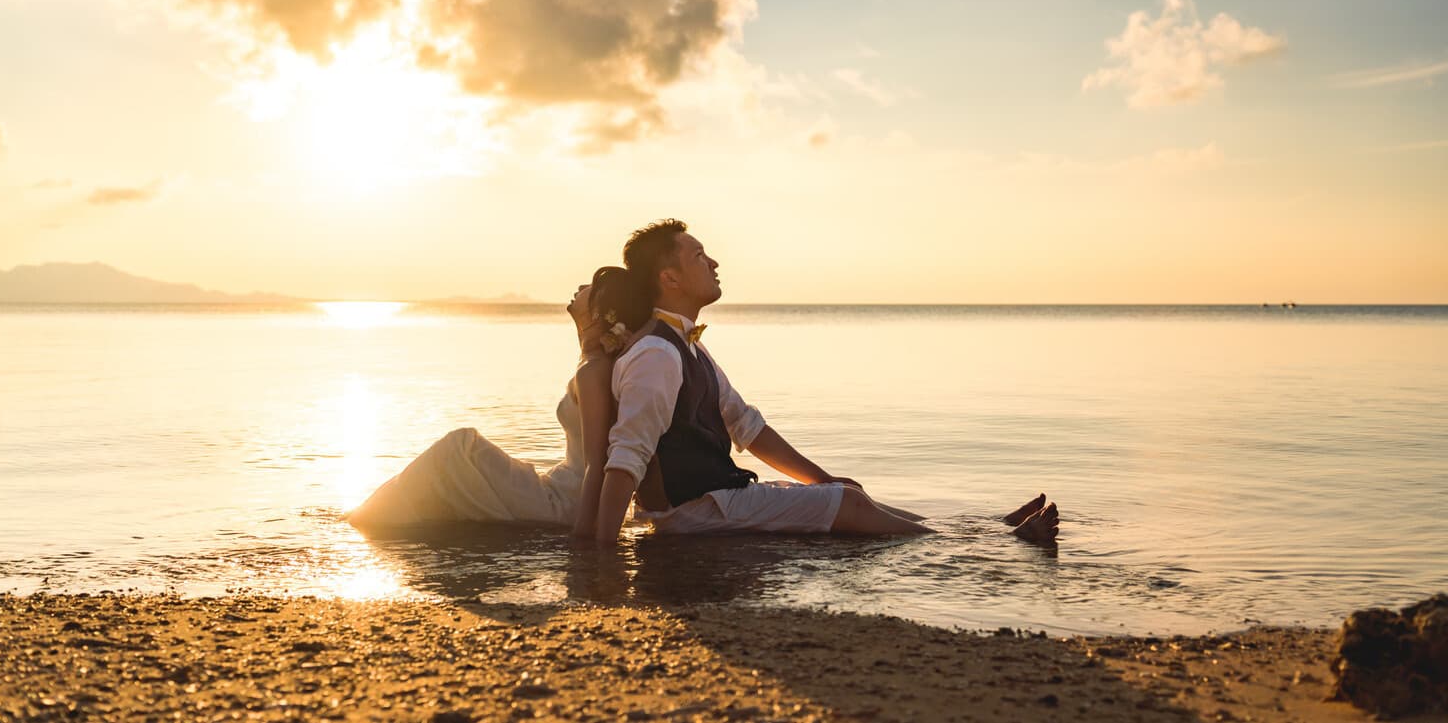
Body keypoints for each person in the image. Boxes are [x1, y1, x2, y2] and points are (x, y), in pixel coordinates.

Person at [594, 220, 1060, 545]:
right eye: (699, 255)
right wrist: (599, 550)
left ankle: (985, 529)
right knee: (845, 504)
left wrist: (822, 479)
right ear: (669, 277)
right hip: (690, 513)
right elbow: (627, 455)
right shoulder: (657, 352)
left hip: (711, 501)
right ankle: (987, 547)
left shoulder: (686, 345)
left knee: (847, 493)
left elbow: (747, 427)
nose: (713, 261)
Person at [344, 266, 652, 537]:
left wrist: (583, 534)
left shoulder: (594, 371)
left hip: (568, 503)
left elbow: (597, 462)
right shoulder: (593, 361)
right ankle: (375, 518)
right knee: (459, 454)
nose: (581, 288)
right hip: (561, 487)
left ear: (600, 311)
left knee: (460, 447)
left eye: (591, 288)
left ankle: (369, 520)